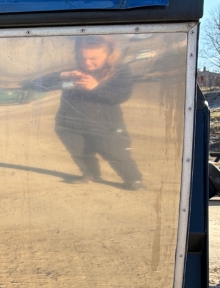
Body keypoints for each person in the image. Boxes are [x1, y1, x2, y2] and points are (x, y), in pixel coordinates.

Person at [33, 35, 143, 189]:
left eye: (93, 58)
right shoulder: (73, 70)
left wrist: (96, 87)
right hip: (70, 123)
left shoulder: (120, 70)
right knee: (79, 152)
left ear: (109, 54)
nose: (87, 62)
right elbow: (37, 85)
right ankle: (90, 173)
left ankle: (133, 179)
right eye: (82, 57)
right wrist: (62, 76)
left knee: (116, 153)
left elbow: (122, 95)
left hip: (105, 125)